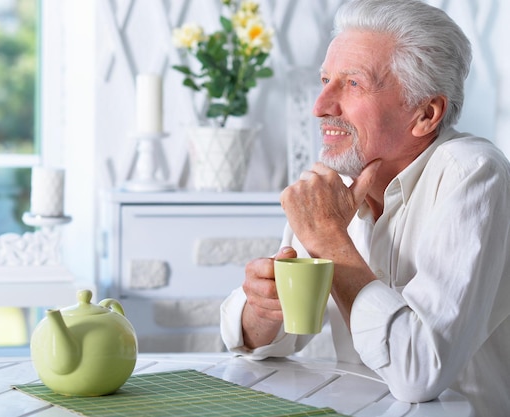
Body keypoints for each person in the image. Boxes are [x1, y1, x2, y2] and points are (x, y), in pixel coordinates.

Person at [219, 0, 510, 415]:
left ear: (426, 113)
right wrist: (261, 314)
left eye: (352, 84)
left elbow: (418, 374)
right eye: (325, 80)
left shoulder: (474, 173)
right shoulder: (337, 181)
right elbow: (264, 338)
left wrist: (328, 239)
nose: (320, 106)